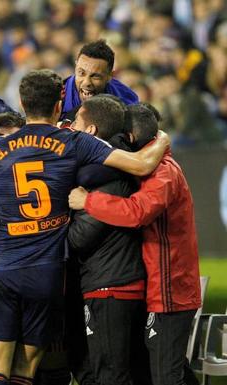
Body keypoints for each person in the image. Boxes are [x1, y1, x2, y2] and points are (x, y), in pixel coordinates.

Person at [0, 69, 169, 385]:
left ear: (23, 104)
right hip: (46, 272)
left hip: (3, 268)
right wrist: (162, 137)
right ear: (59, 104)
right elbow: (142, 165)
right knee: (25, 373)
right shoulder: (75, 141)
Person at [68, 103, 202, 385]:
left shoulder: (163, 173)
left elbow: (138, 212)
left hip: (170, 289)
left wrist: (87, 201)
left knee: (166, 377)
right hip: (160, 287)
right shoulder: (152, 168)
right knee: (162, 372)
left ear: (129, 139)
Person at [67, 96, 150, 385]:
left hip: (110, 287)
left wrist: (60, 217)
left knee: (110, 375)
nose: (69, 128)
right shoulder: (117, 168)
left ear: (89, 131)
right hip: (117, 283)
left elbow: (79, 238)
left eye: (75, 122)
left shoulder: (105, 176)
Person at [61, 39, 138, 121]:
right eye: (81, 73)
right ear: (75, 67)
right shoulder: (55, 98)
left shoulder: (127, 100)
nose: (86, 82)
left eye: (95, 76)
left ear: (110, 76)